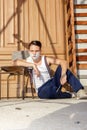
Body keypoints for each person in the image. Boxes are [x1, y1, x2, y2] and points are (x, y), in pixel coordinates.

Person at [13, 40, 87, 99]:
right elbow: (15, 61)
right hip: (41, 90)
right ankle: (68, 95)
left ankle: (79, 90)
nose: (34, 53)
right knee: (46, 93)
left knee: (62, 67)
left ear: (40, 51)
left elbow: (63, 62)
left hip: (52, 83)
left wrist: (63, 74)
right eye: (32, 51)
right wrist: (32, 65)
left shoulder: (46, 59)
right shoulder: (28, 59)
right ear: (29, 51)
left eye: (36, 51)